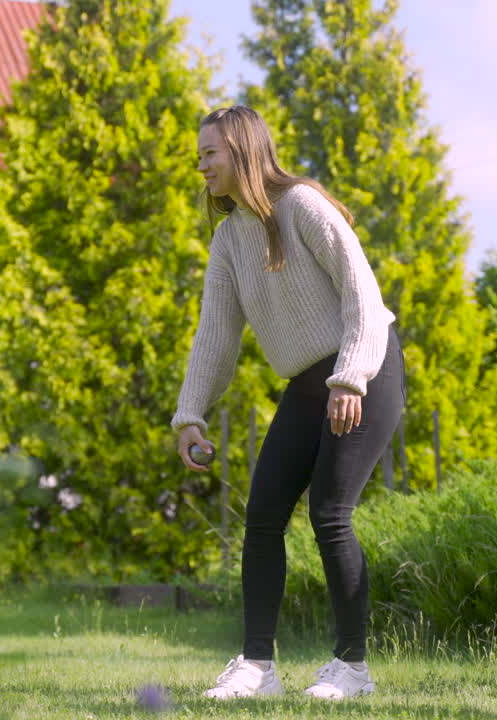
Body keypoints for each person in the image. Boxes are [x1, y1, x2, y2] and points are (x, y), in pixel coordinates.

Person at [171, 105, 405, 701]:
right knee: (264, 513)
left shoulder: (302, 205)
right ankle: (257, 668)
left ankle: (352, 668)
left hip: (365, 367)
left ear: (243, 150)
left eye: (209, 153)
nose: (201, 165)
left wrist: (351, 378)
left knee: (330, 513)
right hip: (305, 382)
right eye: (199, 155)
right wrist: (190, 413)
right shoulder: (229, 238)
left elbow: (361, 291)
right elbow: (216, 333)